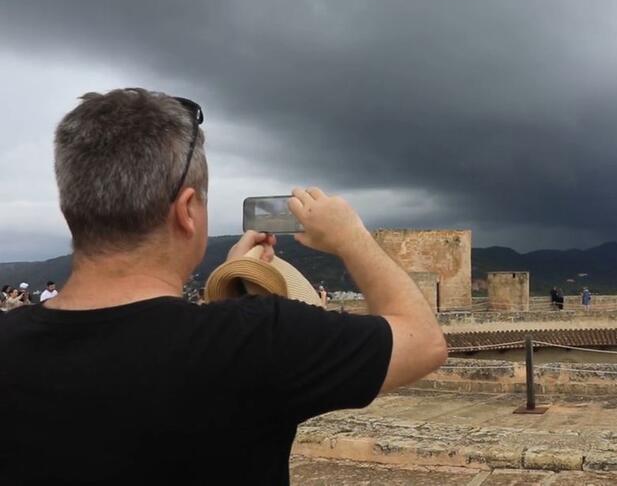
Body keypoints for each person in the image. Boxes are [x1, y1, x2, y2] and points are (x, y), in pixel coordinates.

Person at [0, 88, 448, 485]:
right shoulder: (261, 340)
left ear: (70, 208)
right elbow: (423, 340)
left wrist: (232, 278)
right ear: (188, 210)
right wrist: (352, 237)